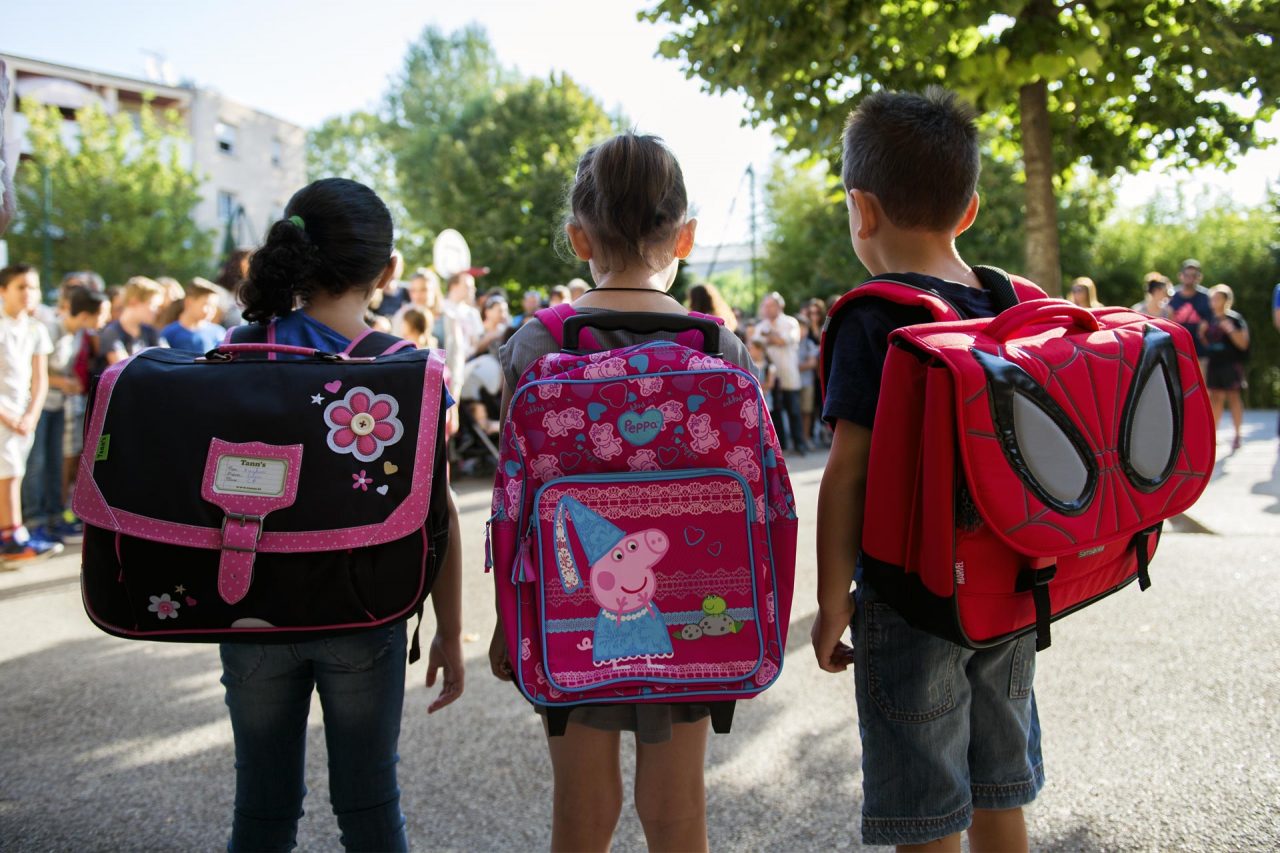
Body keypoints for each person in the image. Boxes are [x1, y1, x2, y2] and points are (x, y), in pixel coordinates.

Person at [490, 133, 750, 853]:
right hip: (697, 603)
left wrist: (506, 619)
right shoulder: (718, 350)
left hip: (566, 602)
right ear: (685, 236)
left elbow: (515, 495)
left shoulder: (541, 345)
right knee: (677, 806)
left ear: (578, 238)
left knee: (581, 807)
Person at [814, 87, 1042, 852]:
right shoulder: (1008, 302)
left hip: (912, 597)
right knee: (998, 789)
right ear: (970, 210)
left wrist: (829, 599)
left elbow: (848, 472)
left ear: (861, 210)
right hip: (1011, 581)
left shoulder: (875, 316)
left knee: (926, 806)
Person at [223, 178, 465, 852]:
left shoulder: (238, 348)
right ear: (388, 272)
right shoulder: (405, 369)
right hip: (365, 609)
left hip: (249, 605)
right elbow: (436, 512)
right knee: (369, 805)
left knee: (262, 809)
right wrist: (449, 629)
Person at [23, 285, 107, 545]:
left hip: (59, 406)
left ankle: (53, 516)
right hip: (39, 406)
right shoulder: (49, 330)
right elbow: (32, 371)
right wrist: (62, 382)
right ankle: (33, 520)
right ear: (85, 314)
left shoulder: (79, 334)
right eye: (100, 314)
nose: (103, 320)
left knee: (55, 463)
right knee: (37, 464)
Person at [0, 265, 62, 566]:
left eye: (33, 287)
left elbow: (40, 378)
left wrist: (32, 413)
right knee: (8, 474)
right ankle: (12, 537)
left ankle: (11, 533)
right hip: (3, 413)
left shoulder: (36, 329)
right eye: (20, 287)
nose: (28, 294)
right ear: (3, 291)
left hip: (23, 414)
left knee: (15, 472)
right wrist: (7, 415)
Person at [1200, 284, 1251, 453]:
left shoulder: (1235, 319)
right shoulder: (1208, 320)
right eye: (1212, 298)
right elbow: (1206, 343)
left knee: (1234, 397)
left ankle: (1237, 434)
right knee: (1215, 397)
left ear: (1226, 300)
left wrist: (1230, 330)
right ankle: (1213, 435)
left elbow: (1243, 344)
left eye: (1218, 298)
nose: (1214, 302)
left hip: (1231, 364)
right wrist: (1202, 334)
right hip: (1215, 364)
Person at [753, 292, 806, 454]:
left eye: (771, 306)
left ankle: (800, 444)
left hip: (788, 374)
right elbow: (756, 344)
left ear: (779, 306)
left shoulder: (790, 322)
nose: (767, 309)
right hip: (769, 377)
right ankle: (781, 446)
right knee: (775, 413)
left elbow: (786, 340)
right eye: (765, 306)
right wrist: (773, 338)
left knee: (794, 411)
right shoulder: (760, 326)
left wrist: (769, 338)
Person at [99, 277, 165, 367]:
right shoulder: (112, 332)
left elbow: (168, 361)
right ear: (134, 301)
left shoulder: (151, 332)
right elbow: (124, 369)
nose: (156, 311)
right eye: (152, 305)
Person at [1166, 259, 1213, 373]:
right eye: (1187, 275)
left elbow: (1213, 319)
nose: (1190, 278)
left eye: (1194, 275)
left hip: (1201, 349)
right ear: (1180, 276)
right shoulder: (1172, 296)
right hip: (1177, 348)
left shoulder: (1207, 297)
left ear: (1199, 277)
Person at [160, 278, 227, 353]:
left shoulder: (219, 333)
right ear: (189, 303)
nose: (211, 310)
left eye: (214, 306)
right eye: (206, 304)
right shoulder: (169, 333)